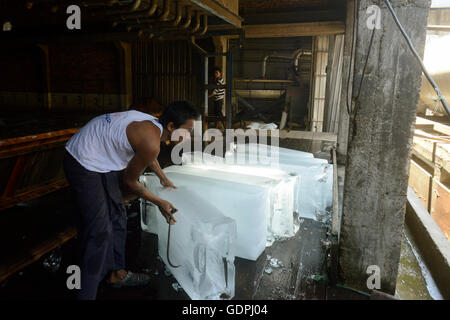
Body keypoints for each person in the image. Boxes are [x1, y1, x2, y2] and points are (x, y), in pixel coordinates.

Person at [63, 100, 199, 300]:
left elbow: (147, 154)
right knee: (99, 231)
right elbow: (129, 182)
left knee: (117, 213)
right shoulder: (151, 140)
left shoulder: (153, 125)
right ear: (171, 127)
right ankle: (86, 294)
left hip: (100, 156)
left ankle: (117, 274)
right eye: (187, 131)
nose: (189, 136)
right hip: (82, 159)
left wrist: (162, 177)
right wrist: (159, 202)